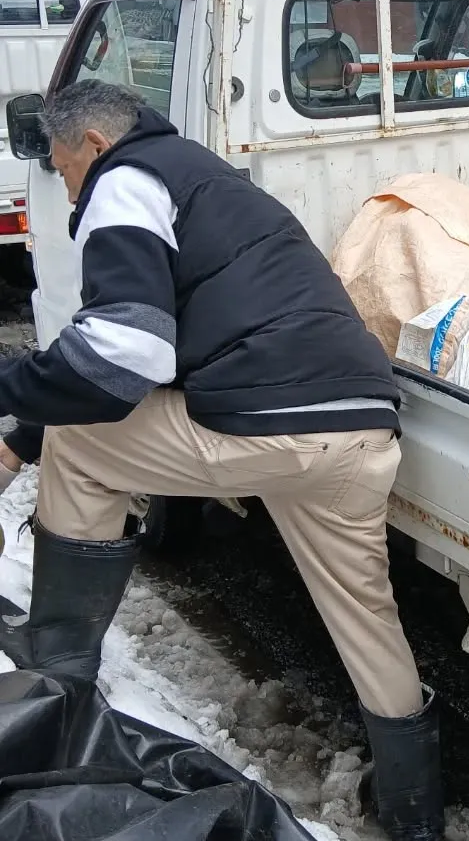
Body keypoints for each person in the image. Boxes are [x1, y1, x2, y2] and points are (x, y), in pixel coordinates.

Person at [0, 80, 441, 841]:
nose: (67, 187)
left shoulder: (125, 181)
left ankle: (57, 691)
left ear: (96, 147)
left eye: (66, 167)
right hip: (358, 431)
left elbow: (123, 356)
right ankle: (417, 819)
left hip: (262, 424)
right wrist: (18, 440)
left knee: (79, 446)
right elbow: (160, 353)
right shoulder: (209, 180)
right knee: (368, 622)